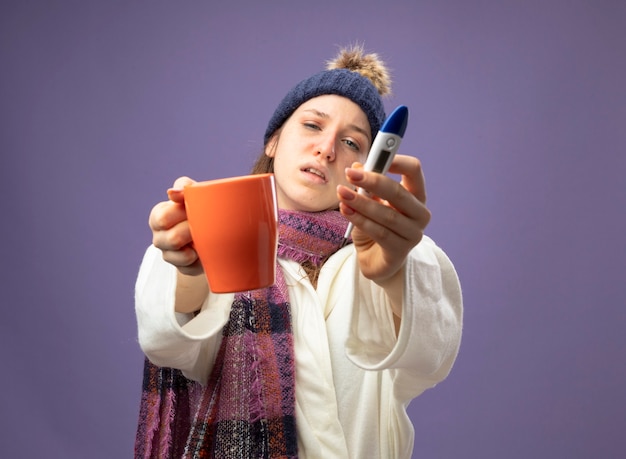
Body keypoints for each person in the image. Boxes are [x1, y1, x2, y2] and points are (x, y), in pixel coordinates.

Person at [134, 44, 463, 459]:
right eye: (312, 126)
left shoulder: (390, 253)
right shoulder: (214, 231)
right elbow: (165, 342)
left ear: (368, 168)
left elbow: (431, 357)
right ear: (273, 141)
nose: (327, 149)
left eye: (351, 142)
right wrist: (190, 266)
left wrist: (395, 273)